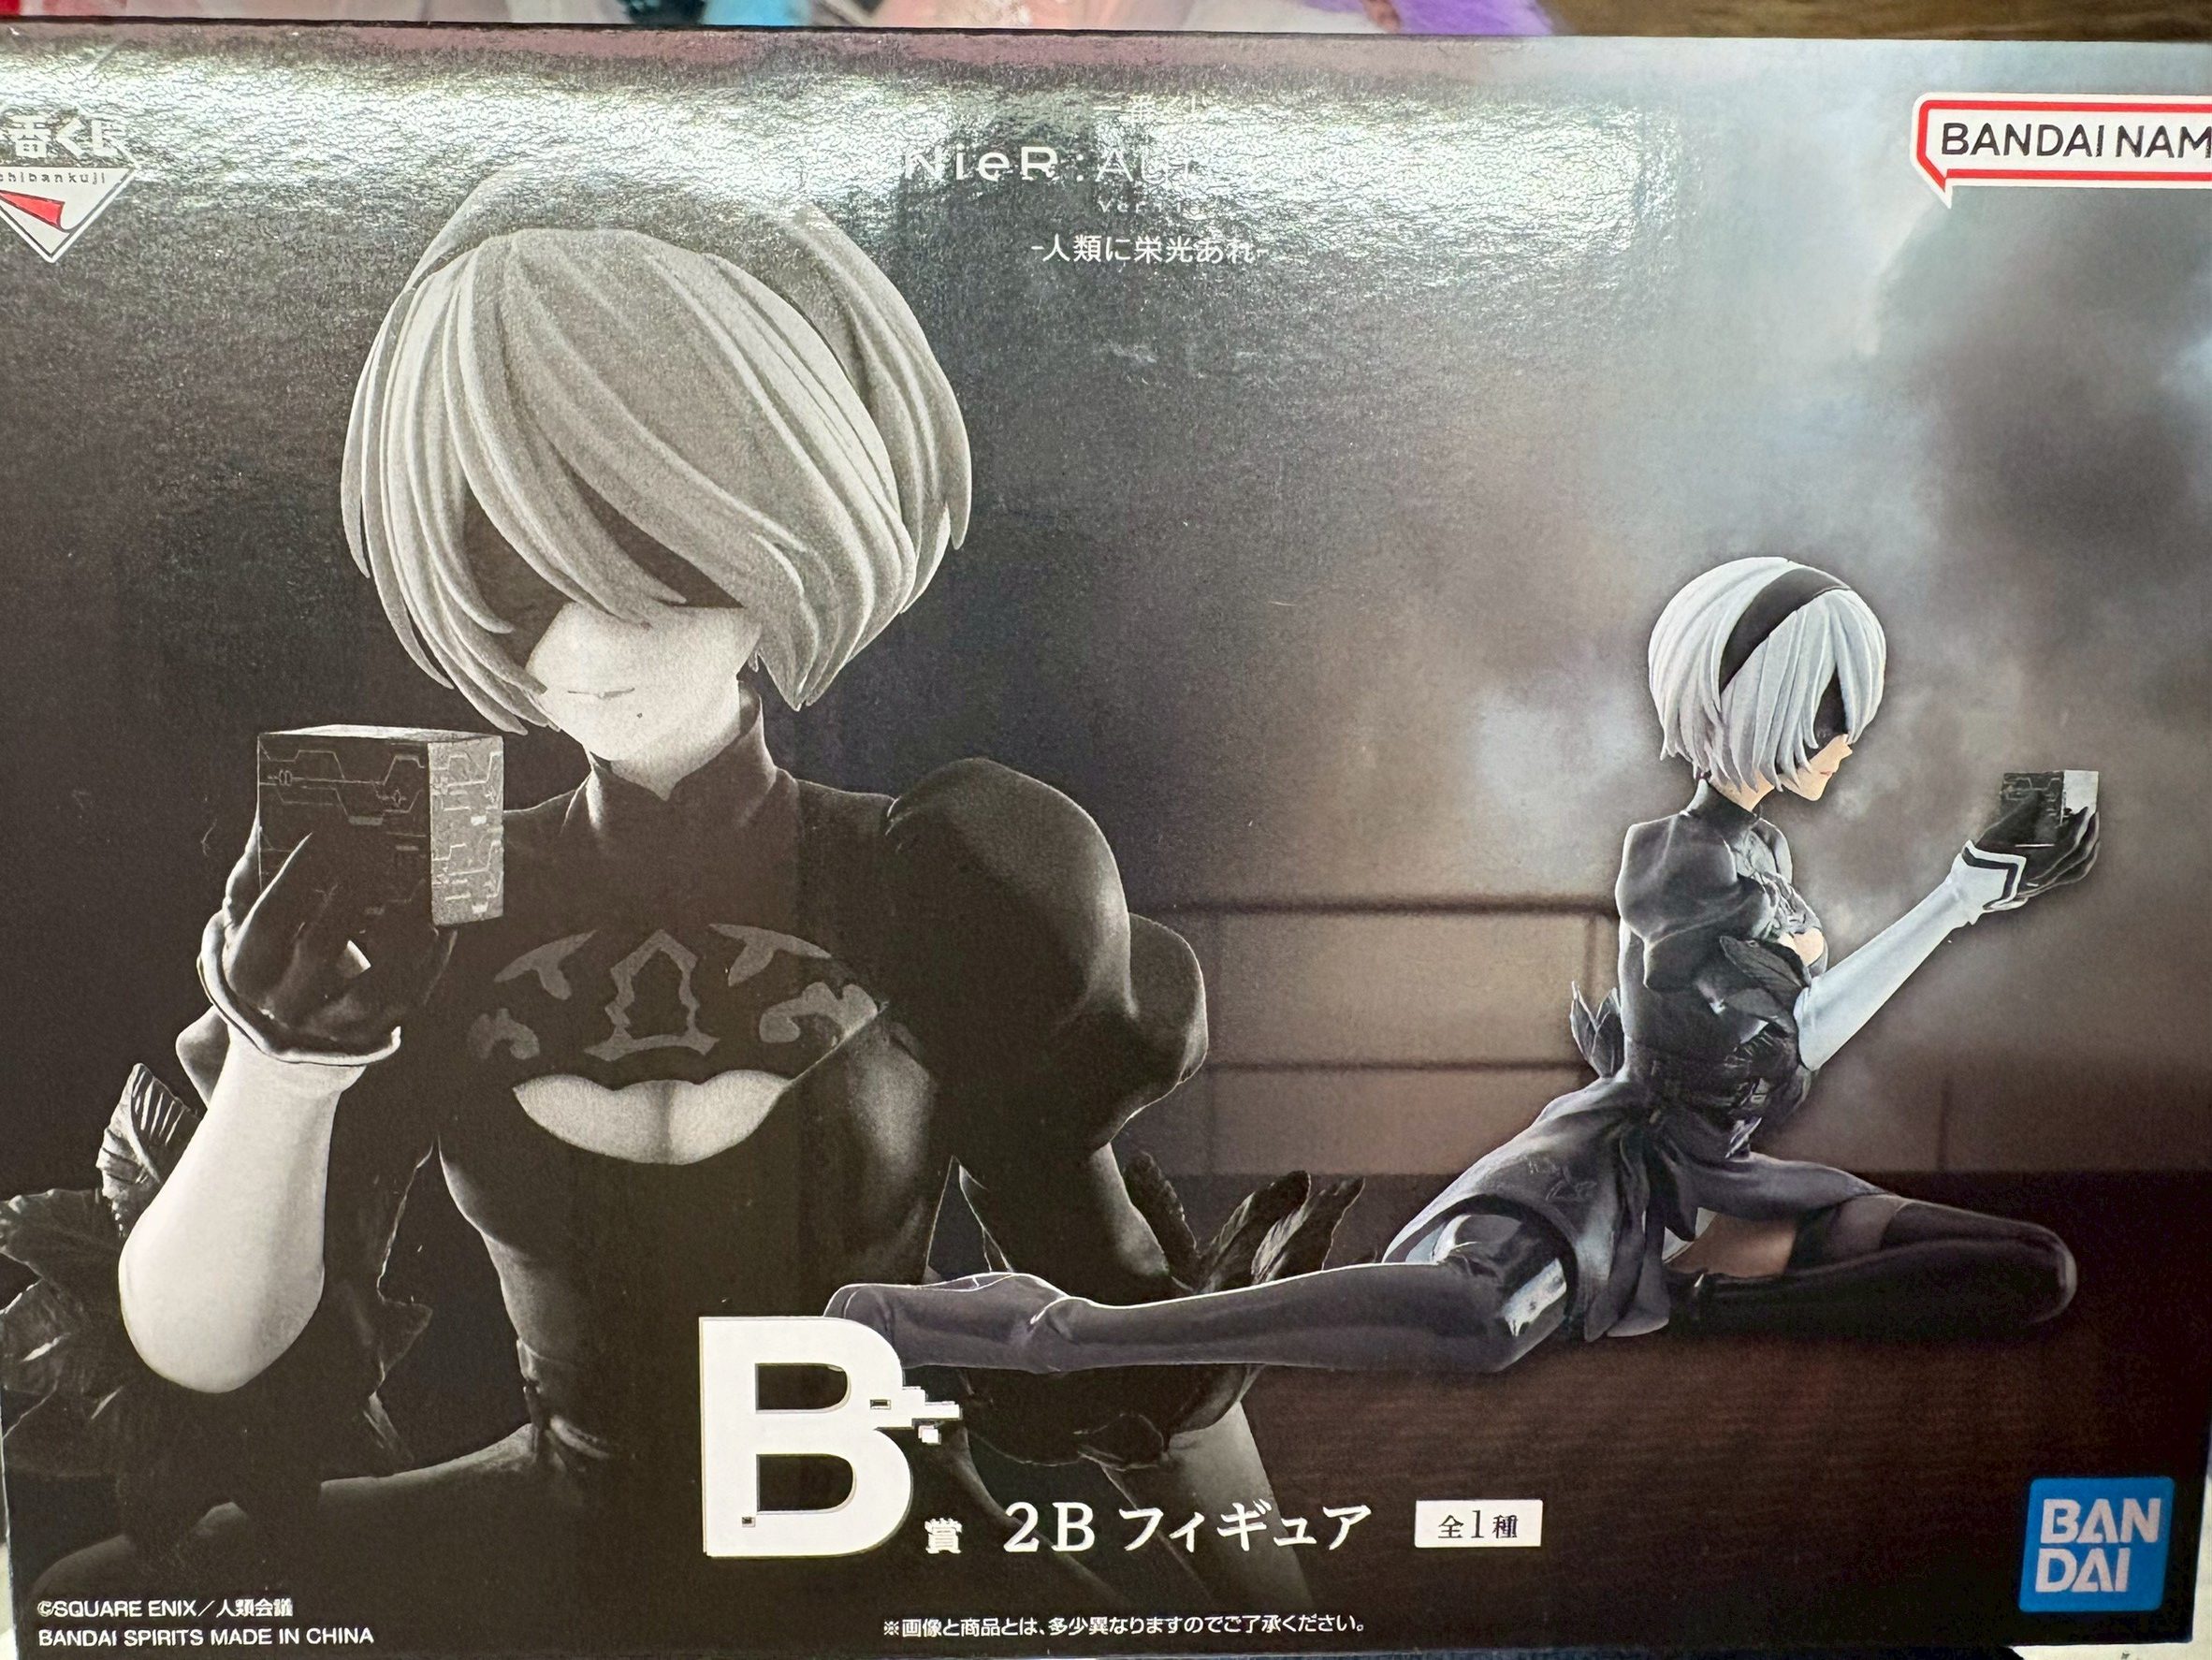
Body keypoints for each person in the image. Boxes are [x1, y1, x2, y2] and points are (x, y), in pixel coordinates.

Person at [24, 172, 1307, 1638]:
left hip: (875, 1548)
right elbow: (206, 1359)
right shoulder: (448, 888)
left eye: (651, 546)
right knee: (102, 1609)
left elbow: (1128, 1334)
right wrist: (284, 1067)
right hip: (558, 1539)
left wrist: (1304, 1613)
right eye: (512, 560)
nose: (582, 634)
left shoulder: (943, 877)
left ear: (782, 531)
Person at [827, 556, 2099, 1376]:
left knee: (2026, 1269)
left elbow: (1782, 1045)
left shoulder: (1760, 857)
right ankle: (1060, 1331)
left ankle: (1711, 1307)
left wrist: (1960, 898)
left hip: (1726, 1189)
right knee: (1480, 1324)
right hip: (1614, 1177)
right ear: (1751, 697)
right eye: (1825, 707)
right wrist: (1948, 906)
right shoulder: (1685, 861)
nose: (1845, 737)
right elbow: (1775, 1042)